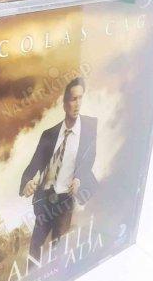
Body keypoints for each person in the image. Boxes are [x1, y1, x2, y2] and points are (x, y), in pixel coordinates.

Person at [20, 77, 98, 260]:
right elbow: (34, 165)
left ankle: (54, 275)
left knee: (58, 249)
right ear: (64, 103)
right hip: (45, 198)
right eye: (73, 99)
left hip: (65, 200)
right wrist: (27, 183)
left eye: (80, 98)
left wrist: (79, 178)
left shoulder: (89, 127)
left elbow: (89, 158)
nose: (77, 104)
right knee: (35, 249)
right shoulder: (49, 134)